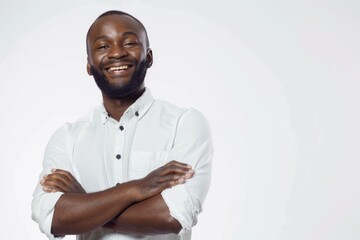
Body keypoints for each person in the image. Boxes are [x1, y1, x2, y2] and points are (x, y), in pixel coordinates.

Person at [31, 10, 213, 240]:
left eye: (129, 42)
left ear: (149, 57)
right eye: (102, 46)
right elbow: (54, 218)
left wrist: (85, 200)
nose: (116, 53)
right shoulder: (67, 138)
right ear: (89, 65)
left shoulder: (184, 123)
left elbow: (173, 216)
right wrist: (135, 189)